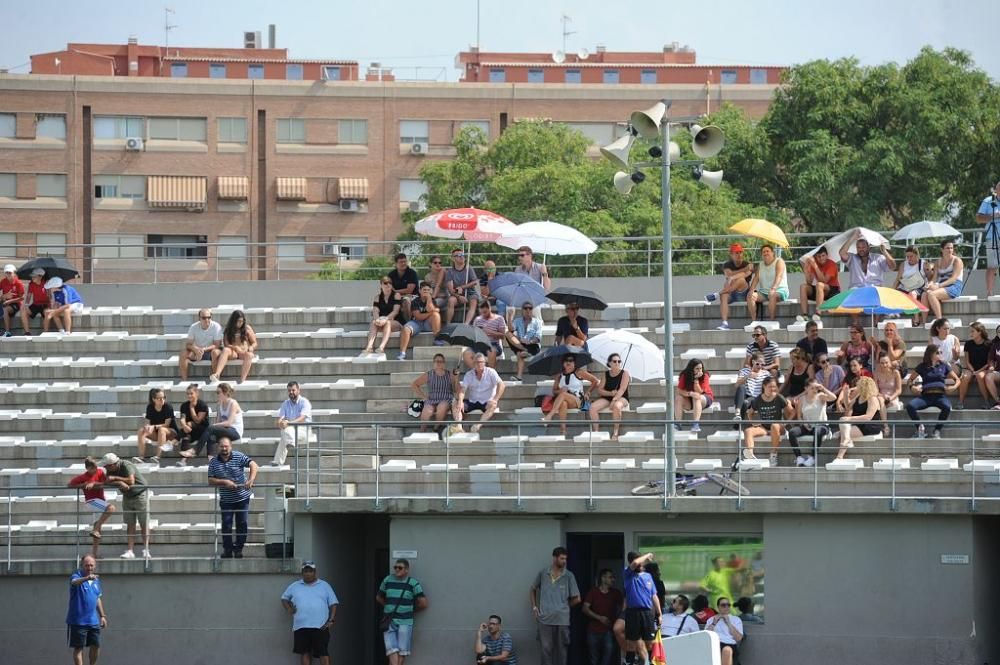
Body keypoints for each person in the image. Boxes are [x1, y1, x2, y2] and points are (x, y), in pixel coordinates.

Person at [207, 436, 257, 559]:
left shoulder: (238, 456)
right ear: (218, 447)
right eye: (222, 446)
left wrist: (250, 480)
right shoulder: (213, 461)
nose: (224, 448)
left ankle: (239, 549)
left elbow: (254, 465)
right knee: (226, 525)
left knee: (242, 523)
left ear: (231, 446)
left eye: (226, 446)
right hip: (226, 499)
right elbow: (210, 480)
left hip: (242, 497)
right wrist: (224, 482)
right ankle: (228, 550)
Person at [530, 546, 580, 665]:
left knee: (562, 651)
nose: (564, 561)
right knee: (545, 651)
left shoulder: (569, 576)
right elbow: (532, 589)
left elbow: (577, 598)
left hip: (562, 620)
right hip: (545, 620)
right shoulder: (543, 573)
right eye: (562, 558)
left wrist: (564, 607)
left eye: (565, 559)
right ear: (554, 558)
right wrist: (534, 607)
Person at [282, 561, 339, 665]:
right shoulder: (295, 586)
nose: (308, 573)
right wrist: (289, 609)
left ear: (315, 572)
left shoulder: (324, 585)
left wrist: (331, 620)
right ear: (302, 572)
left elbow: (333, 603)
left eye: (310, 571)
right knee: (304, 653)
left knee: (323, 653)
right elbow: (284, 598)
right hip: (301, 626)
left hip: (321, 626)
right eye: (305, 571)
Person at [98, 453, 150, 559]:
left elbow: (131, 481)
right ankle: (130, 551)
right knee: (130, 523)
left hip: (140, 494)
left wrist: (116, 479)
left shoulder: (126, 465)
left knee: (143, 523)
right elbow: (107, 481)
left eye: (106, 466)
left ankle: (146, 549)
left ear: (113, 464)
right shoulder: (111, 469)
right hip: (127, 496)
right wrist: (120, 483)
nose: (105, 468)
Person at [377, 558, 428, 665]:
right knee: (391, 649)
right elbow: (379, 597)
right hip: (389, 620)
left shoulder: (413, 583)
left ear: (406, 570)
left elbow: (423, 603)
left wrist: (411, 609)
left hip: (405, 621)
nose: (397, 570)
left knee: (402, 651)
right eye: (395, 567)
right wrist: (388, 607)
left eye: (400, 568)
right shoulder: (387, 580)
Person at [904, 344, 959, 439]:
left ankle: (937, 430)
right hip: (926, 396)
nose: (940, 354)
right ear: (931, 354)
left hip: (940, 396)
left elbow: (957, 379)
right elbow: (910, 380)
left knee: (947, 407)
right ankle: (920, 428)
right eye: (938, 352)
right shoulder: (922, 366)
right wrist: (912, 387)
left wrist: (953, 387)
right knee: (910, 406)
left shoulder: (944, 365)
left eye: (941, 352)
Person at [180, 382, 243, 462]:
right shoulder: (220, 405)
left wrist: (214, 426)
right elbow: (218, 422)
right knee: (211, 435)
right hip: (225, 430)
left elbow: (229, 423)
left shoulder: (233, 403)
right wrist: (215, 426)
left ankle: (195, 451)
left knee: (211, 428)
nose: (217, 394)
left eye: (218, 392)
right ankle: (211, 460)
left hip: (235, 431)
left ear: (225, 392)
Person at [67, 457, 116, 557]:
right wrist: (83, 485)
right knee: (111, 508)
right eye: (92, 468)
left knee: (97, 530)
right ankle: (95, 529)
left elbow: (105, 483)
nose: (95, 469)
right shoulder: (83, 476)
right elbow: (69, 485)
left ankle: (94, 554)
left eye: (95, 467)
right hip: (91, 501)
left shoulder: (100, 472)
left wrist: (94, 483)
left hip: (100, 501)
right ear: (87, 468)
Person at [542, 354, 599, 437]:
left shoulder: (579, 372)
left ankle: (549, 416)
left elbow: (595, 381)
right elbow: (554, 391)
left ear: (574, 362)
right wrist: (559, 391)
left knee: (563, 395)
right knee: (563, 403)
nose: (568, 362)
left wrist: (588, 392)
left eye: (571, 360)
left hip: (579, 400)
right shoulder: (559, 375)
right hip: (566, 400)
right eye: (566, 360)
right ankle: (563, 431)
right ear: (563, 363)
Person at [742, 376, 793, 465]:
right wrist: (753, 423)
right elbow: (749, 413)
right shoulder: (758, 399)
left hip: (778, 427)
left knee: (774, 425)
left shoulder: (779, 397)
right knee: (748, 431)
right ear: (764, 386)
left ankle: (773, 454)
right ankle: (750, 454)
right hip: (764, 427)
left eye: (774, 386)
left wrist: (786, 423)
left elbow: (792, 412)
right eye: (770, 386)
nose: (773, 389)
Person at [67, 555, 107, 665]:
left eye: (91, 565)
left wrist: (102, 616)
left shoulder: (96, 580)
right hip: (78, 621)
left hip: (93, 621)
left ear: (95, 566)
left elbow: (97, 597)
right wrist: (87, 578)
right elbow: (74, 582)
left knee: (96, 645)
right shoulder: (76, 576)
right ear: (82, 565)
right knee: (78, 648)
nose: (89, 568)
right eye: (86, 565)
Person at [622, 552, 661, 665]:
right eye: (639, 562)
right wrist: (647, 555)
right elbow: (635, 563)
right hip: (633, 612)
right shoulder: (627, 573)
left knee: (650, 642)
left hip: (647, 612)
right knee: (631, 643)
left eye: (641, 563)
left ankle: (652, 662)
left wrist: (659, 613)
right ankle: (629, 662)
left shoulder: (647, 576)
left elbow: (654, 595)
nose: (640, 565)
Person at [787, 381, 836, 467]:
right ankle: (799, 457)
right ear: (806, 388)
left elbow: (833, 397)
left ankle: (813, 458)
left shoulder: (821, 396)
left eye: (816, 388)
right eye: (812, 388)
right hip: (807, 426)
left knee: (817, 431)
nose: (815, 390)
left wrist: (823, 388)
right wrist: (804, 424)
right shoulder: (802, 399)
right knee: (792, 432)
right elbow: (799, 417)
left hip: (822, 426)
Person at [453, 353, 505, 433]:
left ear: (484, 363)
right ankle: (459, 427)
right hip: (472, 401)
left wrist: (495, 399)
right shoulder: (469, 374)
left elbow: (501, 385)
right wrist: (460, 401)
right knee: (455, 402)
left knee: (493, 405)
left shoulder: (491, 372)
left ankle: (478, 426)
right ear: (473, 364)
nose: (479, 364)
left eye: (481, 362)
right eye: (477, 362)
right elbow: (463, 390)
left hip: (486, 402)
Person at [706, 243, 754, 330]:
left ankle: (717, 294)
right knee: (724, 295)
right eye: (736, 253)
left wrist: (733, 277)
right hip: (731, 293)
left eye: (740, 252)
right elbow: (729, 274)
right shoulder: (727, 265)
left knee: (741, 280)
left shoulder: (748, 264)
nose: (739, 254)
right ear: (731, 254)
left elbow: (744, 275)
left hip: (745, 293)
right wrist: (734, 276)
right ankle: (725, 323)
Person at [582, 569, 622, 665]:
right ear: (603, 578)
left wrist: (618, 622)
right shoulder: (593, 592)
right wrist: (600, 618)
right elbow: (584, 608)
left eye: (613, 577)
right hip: (593, 630)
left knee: (607, 657)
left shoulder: (616, 593)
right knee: (593, 658)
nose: (613, 579)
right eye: (610, 577)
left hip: (608, 630)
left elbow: (623, 608)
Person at [589, 353, 632, 440]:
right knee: (592, 407)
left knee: (616, 406)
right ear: (609, 363)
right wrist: (611, 394)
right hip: (608, 397)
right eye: (615, 361)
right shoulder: (606, 374)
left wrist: (614, 399)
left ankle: (615, 432)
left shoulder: (625, 373)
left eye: (619, 361)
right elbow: (600, 390)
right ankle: (596, 432)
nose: (617, 363)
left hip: (622, 397)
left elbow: (622, 389)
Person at [836, 376, 881, 458]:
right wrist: (846, 394)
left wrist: (849, 418)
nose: (857, 387)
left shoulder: (872, 399)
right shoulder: (859, 396)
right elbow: (848, 406)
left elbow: (868, 417)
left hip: (870, 425)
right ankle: (846, 442)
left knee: (844, 434)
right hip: (859, 423)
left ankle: (839, 456)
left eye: (859, 385)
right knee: (842, 424)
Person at [398, 282, 443, 361]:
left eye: (428, 290)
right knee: (405, 329)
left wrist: (429, 299)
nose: (426, 292)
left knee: (436, 315)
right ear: (420, 291)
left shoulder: (432, 300)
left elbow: (433, 310)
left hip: (428, 324)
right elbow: (418, 316)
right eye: (424, 290)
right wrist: (432, 312)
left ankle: (437, 339)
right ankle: (402, 353)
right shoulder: (415, 301)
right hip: (416, 323)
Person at [210, 309, 258, 384]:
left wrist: (251, 347)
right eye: (239, 321)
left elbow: (254, 343)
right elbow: (226, 344)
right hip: (233, 352)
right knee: (225, 350)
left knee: (250, 355)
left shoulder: (247, 328)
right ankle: (217, 374)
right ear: (234, 320)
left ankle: (242, 380)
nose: (240, 323)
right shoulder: (228, 329)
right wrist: (235, 347)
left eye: (242, 321)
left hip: (244, 352)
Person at [921, 239, 965, 321]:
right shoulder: (938, 262)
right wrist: (929, 285)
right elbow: (934, 279)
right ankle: (924, 321)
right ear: (942, 250)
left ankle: (939, 320)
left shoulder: (957, 261)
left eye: (951, 248)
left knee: (932, 295)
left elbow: (953, 279)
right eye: (947, 248)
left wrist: (937, 286)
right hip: (941, 286)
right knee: (924, 294)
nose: (950, 250)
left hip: (954, 286)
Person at [411, 353, 456, 431]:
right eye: (436, 361)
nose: (438, 363)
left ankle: (435, 428)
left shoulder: (449, 374)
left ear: (444, 363)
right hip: (432, 399)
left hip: (446, 398)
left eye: (440, 361)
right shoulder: (429, 374)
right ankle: (422, 431)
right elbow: (414, 384)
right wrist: (424, 397)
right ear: (433, 363)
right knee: (426, 411)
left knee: (441, 407)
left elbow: (456, 388)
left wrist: (456, 377)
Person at [273, 381, 313, 466]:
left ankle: (279, 459)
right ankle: (290, 444)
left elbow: (302, 419)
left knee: (286, 430)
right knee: (285, 430)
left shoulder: (304, 402)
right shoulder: (285, 403)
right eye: (289, 390)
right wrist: (281, 423)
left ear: (299, 390)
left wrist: (288, 423)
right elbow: (280, 419)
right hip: (290, 431)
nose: (291, 392)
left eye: (293, 390)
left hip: (304, 430)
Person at [134, 388, 177, 464]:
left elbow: (167, 424)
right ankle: (141, 457)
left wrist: (153, 427)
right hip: (158, 434)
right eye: (159, 398)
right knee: (141, 431)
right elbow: (147, 422)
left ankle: (158, 456)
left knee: (162, 429)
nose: (162, 400)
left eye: (164, 397)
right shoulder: (150, 407)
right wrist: (147, 427)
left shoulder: (168, 407)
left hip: (170, 432)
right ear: (153, 399)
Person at [797, 246, 840, 322]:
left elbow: (824, 281)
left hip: (833, 291)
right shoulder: (815, 264)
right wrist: (806, 269)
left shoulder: (832, 264)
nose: (821, 258)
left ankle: (818, 313)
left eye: (823, 255)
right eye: (818, 256)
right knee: (803, 286)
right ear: (816, 257)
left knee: (819, 284)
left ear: (827, 255)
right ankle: (805, 315)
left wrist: (815, 266)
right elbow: (809, 282)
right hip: (820, 290)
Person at [747, 243, 788, 321]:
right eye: (763, 252)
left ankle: (771, 321)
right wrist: (751, 290)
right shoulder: (761, 264)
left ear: (773, 253)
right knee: (750, 296)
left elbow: (779, 276)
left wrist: (773, 289)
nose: (765, 253)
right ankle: (754, 321)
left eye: (767, 251)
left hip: (779, 290)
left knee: (772, 295)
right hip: (764, 292)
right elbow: (756, 278)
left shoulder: (779, 261)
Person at [179, 309, 224, 381]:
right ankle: (184, 380)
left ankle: (215, 378)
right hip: (198, 351)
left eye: (209, 317)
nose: (207, 319)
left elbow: (217, 345)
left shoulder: (216, 326)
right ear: (199, 318)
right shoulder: (193, 327)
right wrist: (196, 349)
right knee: (183, 353)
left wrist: (202, 349)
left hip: (211, 351)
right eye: (204, 318)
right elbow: (188, 344)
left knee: (215, 352)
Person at [511, 246, 550, 325]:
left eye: (522, 255)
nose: (519, 258)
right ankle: (510, 325)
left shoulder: (540, 267)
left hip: (536, 296)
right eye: (518, 256)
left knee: (533, 302)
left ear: (530, 256)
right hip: (522, 296)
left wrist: (545, 273)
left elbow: (547, 287)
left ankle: (539, 323)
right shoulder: (517, 269)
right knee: (509, 305)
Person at [364, 278, 403, 355]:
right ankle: (369, 347)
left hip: (396, 322)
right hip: (382, 321)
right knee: (373, 322)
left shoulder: (396, 295)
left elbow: (395, 311)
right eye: (385, 283)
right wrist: (377, 319)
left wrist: (385, 319)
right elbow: (375, 311)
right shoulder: (377, 297)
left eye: (390, 283)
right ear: (381, 285)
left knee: (388, 323)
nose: (388, 285)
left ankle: (381, 347)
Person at [505, 302, 543, 381]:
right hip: (521, 344)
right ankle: (525, 351)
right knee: (508, 334)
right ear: (522, 310)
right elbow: (511, 329)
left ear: (532, 310)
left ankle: (519, 377)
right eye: (525, 308)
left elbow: (538, 337)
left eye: (530, 308)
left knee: (520, 354)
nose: (528, 310)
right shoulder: (517, 321)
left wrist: (530, 341)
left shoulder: (537, 322)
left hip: (533, 345)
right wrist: (509, 317)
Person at [674, 358, 712, 433]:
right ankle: (678, 424)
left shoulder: (705, 375)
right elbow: (679, 391)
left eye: (701, 368)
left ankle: (695, 424)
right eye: (697, 369)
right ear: (692, 369)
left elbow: (700, 391)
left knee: (696, 396)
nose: (699, 370)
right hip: (690, 398)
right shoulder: (685, 375)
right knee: (678, 398)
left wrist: (696, 380)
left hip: (705, 398)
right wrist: (690, 393)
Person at [976, 179, 1000, 297]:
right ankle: (989, 293)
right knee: (992, 266)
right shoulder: (988, 201)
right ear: (996, 190)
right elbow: (979, 218)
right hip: (992, 236)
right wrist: (993, 216)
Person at [894, 245, 929, 324]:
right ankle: (894, 314)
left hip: (919, 287)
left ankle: (916, 318)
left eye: (911, 256)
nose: (909, 258)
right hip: (906, 287)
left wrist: (928, 270)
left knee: (912, 294)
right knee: (895, 294)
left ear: (917, 255)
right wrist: (891, 290)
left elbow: (930, 277)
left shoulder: (923, 263)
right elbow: (898, 279)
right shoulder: (904, 264)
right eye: (907, 257)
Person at [445, 248, 480, 325]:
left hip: (470, 292)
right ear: (453, 258)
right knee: (451, 300)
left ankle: (466, 324)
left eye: (463, 255)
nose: (462, 257)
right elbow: (451, 290)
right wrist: (459, 296)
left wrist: (462, 287)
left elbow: (475, 282)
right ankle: (448, 324)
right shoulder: (450, 271)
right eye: (459, 255)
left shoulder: (469, 268)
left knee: (473, 301)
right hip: (457, 294)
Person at [704, 598, 744, 665]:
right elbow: (705, 637)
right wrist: (714, 623)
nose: (726, 607)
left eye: (728, 605)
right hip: (714, 645)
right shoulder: (711, 620)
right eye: (723, 605)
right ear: (718, 607)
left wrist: (729, 623)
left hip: (730, 645)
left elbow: (739, 638)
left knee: (727, 650)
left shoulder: (736, 619)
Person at [733, 352, 769, 421]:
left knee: (745, 403)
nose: (760, 366)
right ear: (753, 362)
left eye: (762, 364)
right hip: (746, 395)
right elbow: (736, 385)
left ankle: (737, 423)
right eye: (758, 364)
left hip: (758, 397)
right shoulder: (744, 371)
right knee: (741, 387)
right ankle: (737, 413)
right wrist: (748, 376)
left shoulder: (766, 374)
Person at [472, 300, 507, 367]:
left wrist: (490, 332)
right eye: (482, 312)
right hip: (480, 344)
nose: (483, 314)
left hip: (493, 344)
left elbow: (503, 336)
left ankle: (490, 375)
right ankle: (477, 373)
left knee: (491, 351)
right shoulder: (477, 319)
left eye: (485, 312)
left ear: (489, 308)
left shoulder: (499, 318)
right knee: (467, 353)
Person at [873, 355, 903, 434]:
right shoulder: (876, 373)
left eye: (886, 363)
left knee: (879, 404)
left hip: (893, 396)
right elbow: (876, 390)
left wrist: (890, 398)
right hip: (880, 395)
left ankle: (883, 426)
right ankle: (885, 426)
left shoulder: (896, 373)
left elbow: (899, 390)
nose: (884, 365)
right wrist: (883, 396)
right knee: (880, 400)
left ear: (890, 363)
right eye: (882, 363)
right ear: (879, 364)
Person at [177, 384, 209, 455]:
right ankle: (183, 460)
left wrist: (191, 408)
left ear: (197, 393)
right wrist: (184, 426)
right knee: (186, 435)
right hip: (190, 430)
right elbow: (182, 418)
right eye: (188, 394)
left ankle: (174, 440)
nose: (189, 396)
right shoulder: (184, 405)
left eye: (191, 393)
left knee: (188, 425)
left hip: (202, 431)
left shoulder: (202, 405)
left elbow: (197, 421)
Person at [388, 252, 419, 319]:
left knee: (406, 301)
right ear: (396, 264)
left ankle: (408, 324)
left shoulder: (412, 273)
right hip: (397, 296)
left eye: (405, 261)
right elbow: (388, 288)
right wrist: (397, 293)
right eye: (401, 262)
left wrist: (395, 291)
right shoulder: (391, 274)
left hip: (412, 297)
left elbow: (409, 290)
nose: (404, 263)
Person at [19, 267, 50, 335]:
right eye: (32, 276)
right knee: (23, 310)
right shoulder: (31, 284)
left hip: (46, 305)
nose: (32, 278)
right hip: (36, 304)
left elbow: (50, 296)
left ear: (40, 276)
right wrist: (26, 305)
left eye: (34, 276)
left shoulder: (47, 283)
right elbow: (29, 295)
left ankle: (46, 333)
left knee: (46, 312)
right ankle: (27, 332)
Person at [0, 263, 25, 336]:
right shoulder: (3, 281)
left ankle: (7, 332)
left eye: (10, 272)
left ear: (14, 273)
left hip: (15, 304)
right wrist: (4, 296)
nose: (8, 274)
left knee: (5, 309)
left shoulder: (18, 283)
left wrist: (9, 300)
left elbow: (22, 298)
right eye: (6, 272)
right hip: (5, 302)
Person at [989, 324, 1000, 410]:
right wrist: (992, 366)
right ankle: (998, 402)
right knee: (988, 377)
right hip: (998, 371)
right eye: (999, 332)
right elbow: (991, 359)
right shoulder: (995, 345)